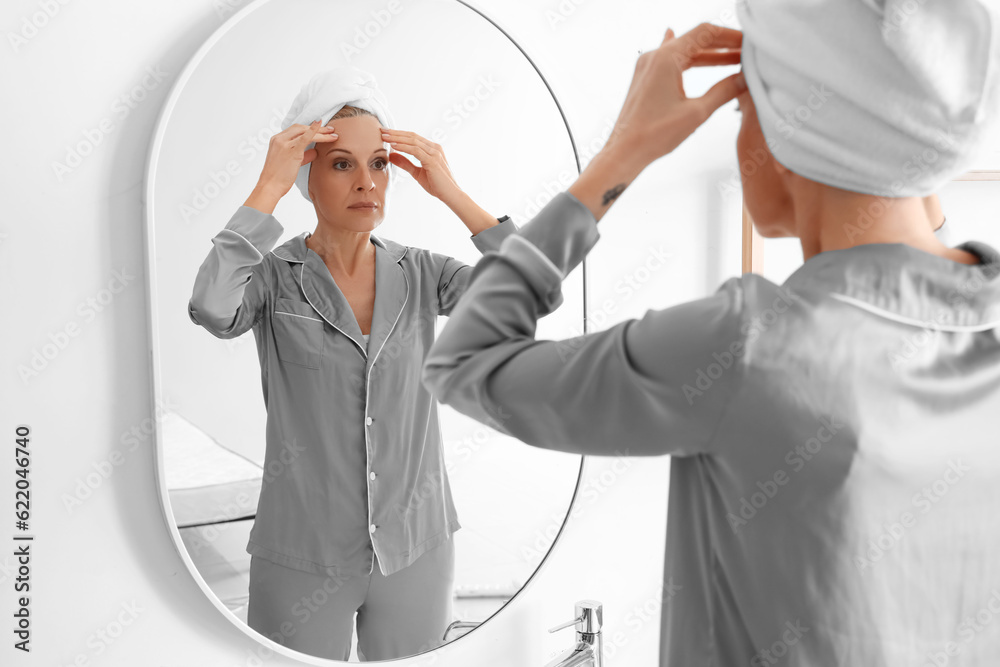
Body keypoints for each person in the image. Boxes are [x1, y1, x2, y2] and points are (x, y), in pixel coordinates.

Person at [422, 7, 1000, 666]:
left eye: (742, 109)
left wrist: (623, 151)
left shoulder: (748, 349)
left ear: (789, 136)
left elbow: (465, 363)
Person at [187, 67, 518, 661]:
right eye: (342, 164)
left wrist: (450, 190)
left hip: (416, 547)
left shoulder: (424, 273)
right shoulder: (271, 277)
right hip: (301, 553)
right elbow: (211, 308)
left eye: (379, 164)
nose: (367, 182)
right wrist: (267, 184)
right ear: (307, 174)